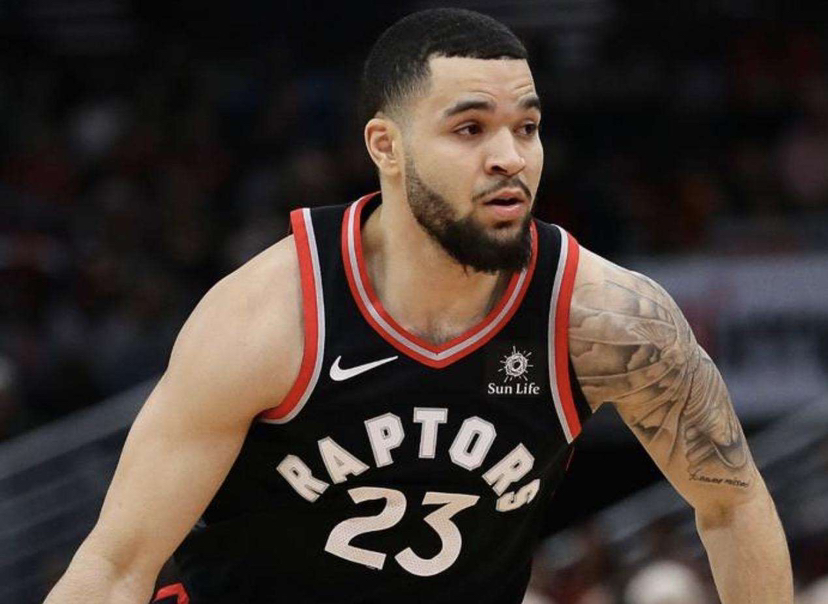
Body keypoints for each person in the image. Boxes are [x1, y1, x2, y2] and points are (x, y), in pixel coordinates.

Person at [45, 8, 793, 604]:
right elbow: (114, 566)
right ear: (386, 146)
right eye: (470, 128)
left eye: (527, 128)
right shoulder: (269, 314)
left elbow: (732, 504)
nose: (510, 157)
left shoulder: (606, 318)